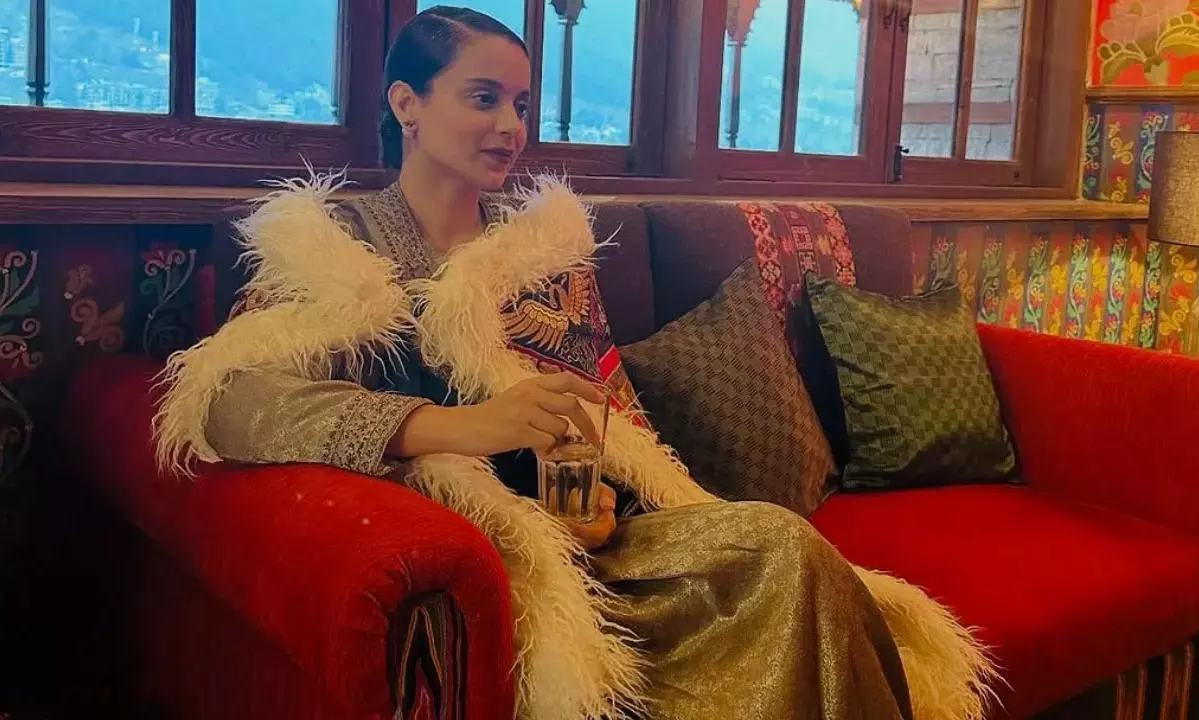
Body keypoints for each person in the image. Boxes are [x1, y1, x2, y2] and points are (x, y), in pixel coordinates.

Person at [152, 6, 994, 720]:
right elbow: (231, 401)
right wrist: (452, 427)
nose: (510, 126)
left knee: (783, 546)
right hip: (487, 554)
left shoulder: (545, 255)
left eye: (520, 104)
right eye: (483, 98)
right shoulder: (333, 247)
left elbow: (602, 414)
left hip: (601, 548)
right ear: (406, 103)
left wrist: (593, 503)